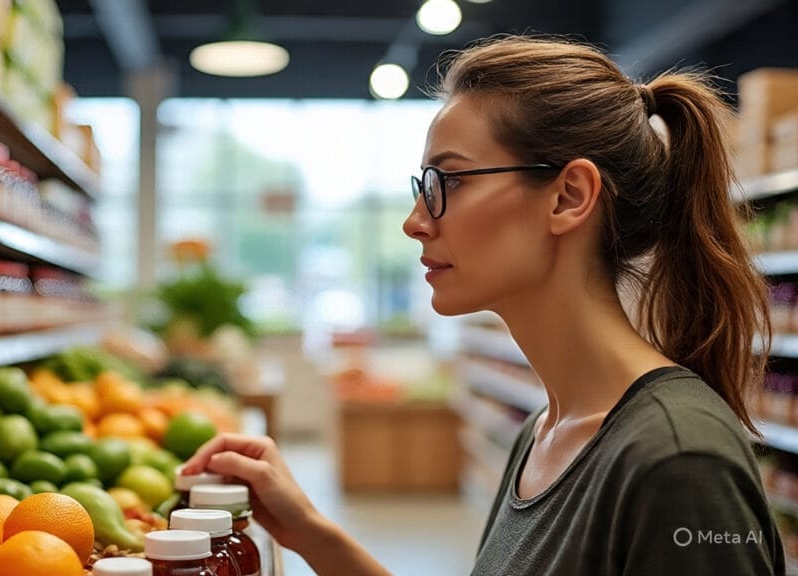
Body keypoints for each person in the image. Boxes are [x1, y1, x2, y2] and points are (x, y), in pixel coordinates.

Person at [182, 35, 786, 575]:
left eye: (451, 182)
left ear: (568, 196)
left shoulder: (678, 461)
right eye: (424, 186)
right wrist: (311, 534)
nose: (415, 222)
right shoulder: (544, 433)